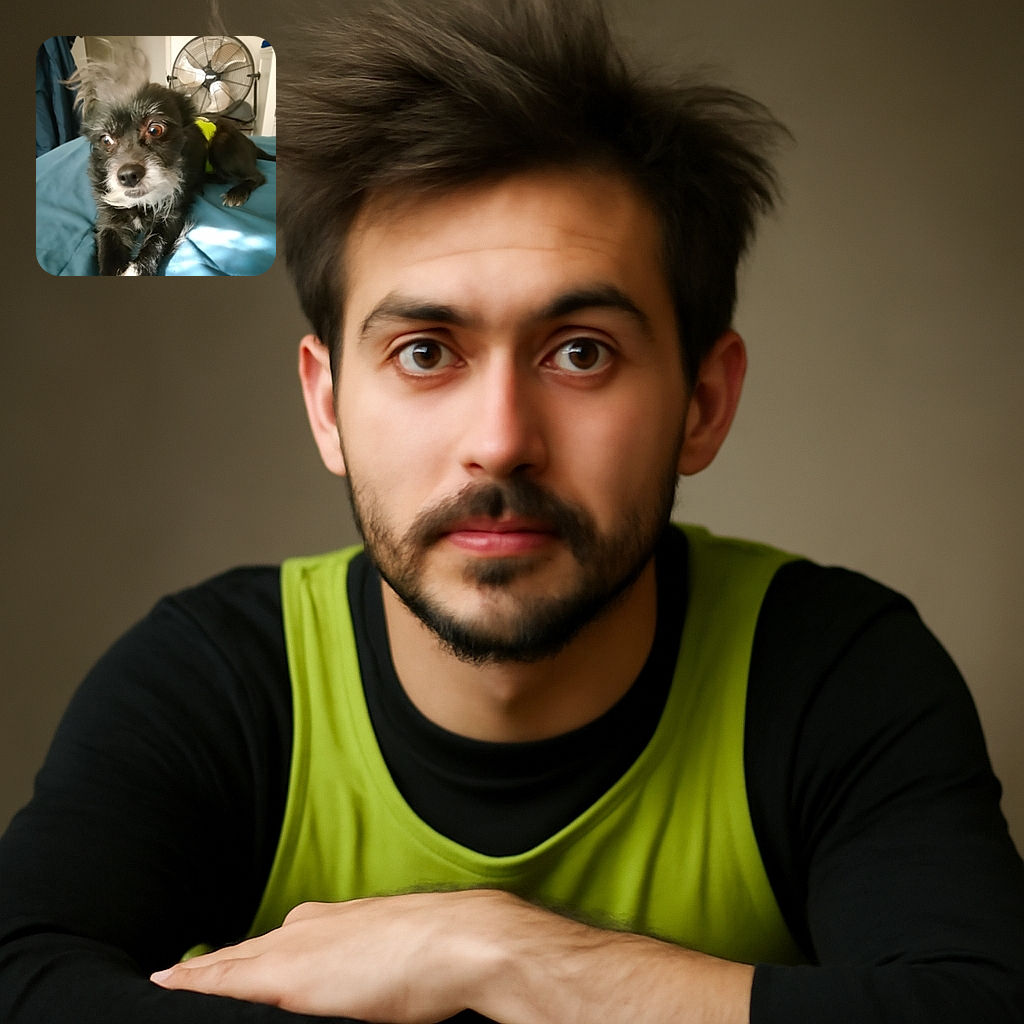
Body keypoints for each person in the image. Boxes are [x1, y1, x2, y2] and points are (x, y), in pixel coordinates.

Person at [2, 0, 1022, 1021]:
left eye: (580, 351)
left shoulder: (831, 671)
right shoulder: (216, 684)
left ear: (703, 404)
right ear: (327, 405)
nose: (499, 440)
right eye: (424, 352)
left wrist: (503, 952)